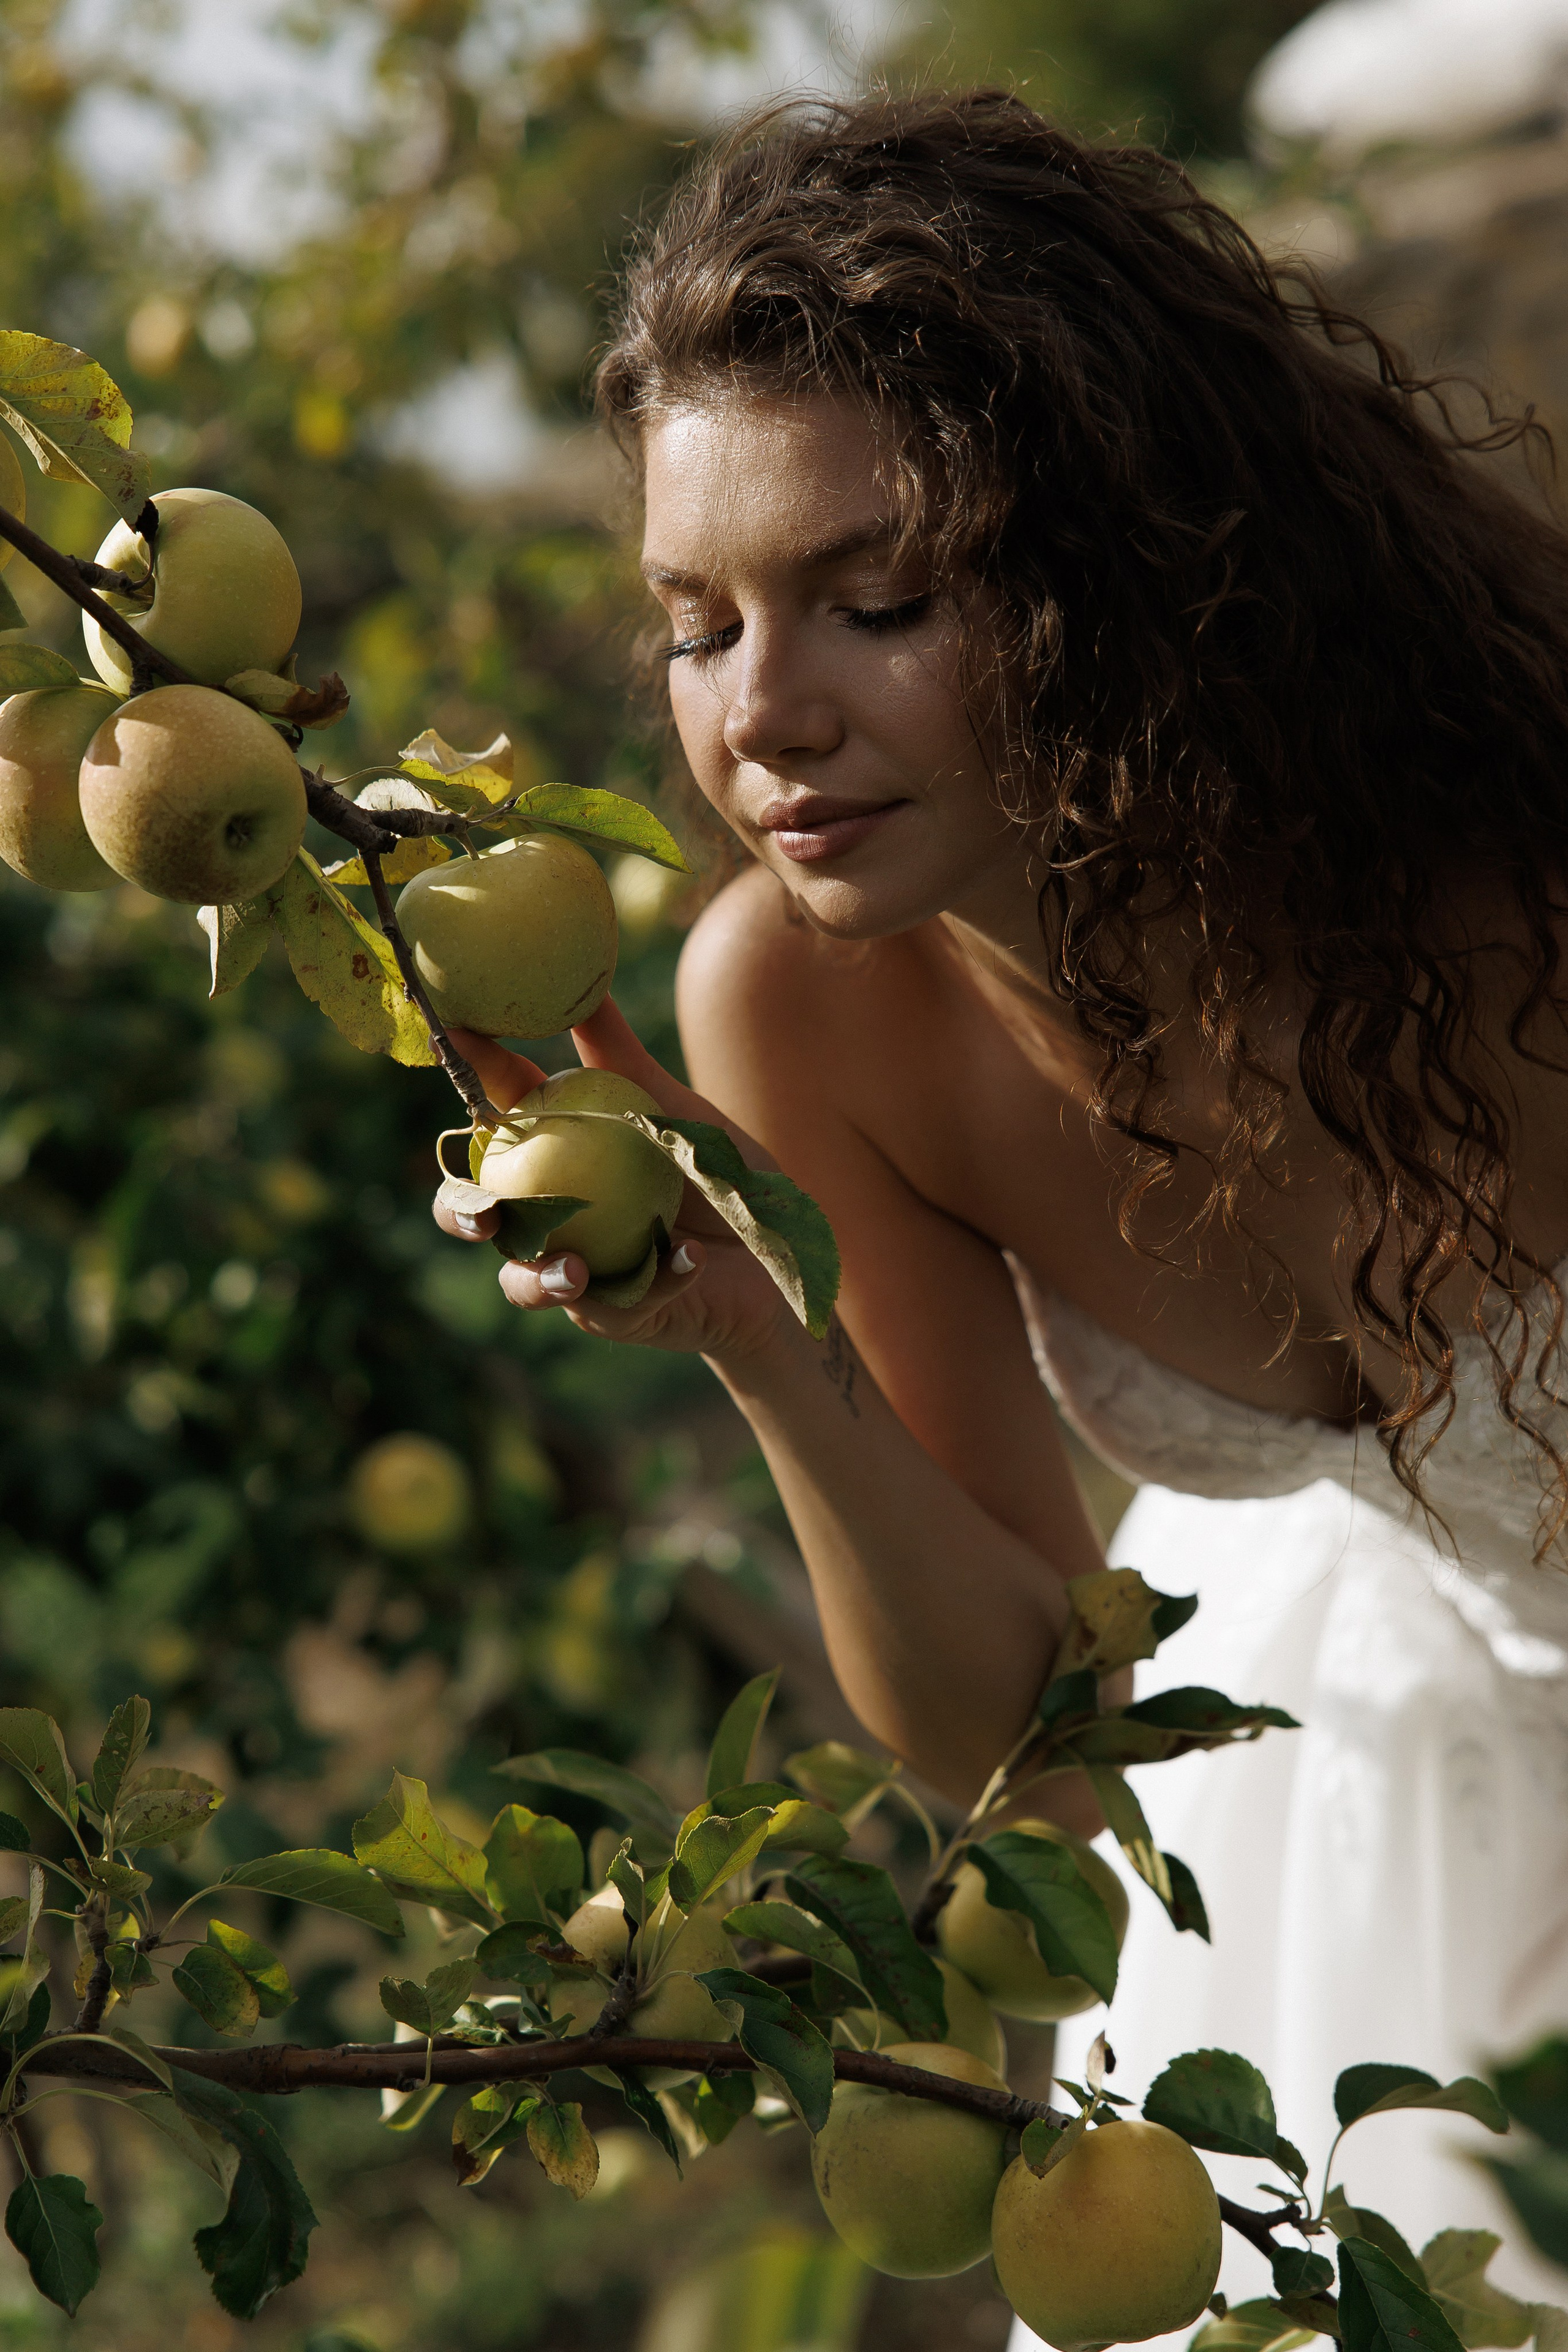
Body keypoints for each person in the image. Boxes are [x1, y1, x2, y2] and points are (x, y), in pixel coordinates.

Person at [435, 90, 1568, 2326]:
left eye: (874, 600)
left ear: (1130, 557)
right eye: (693, 624)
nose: (763, 715)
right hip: (1355, 1822)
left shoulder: (1513, 889)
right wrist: (759, 1337)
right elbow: (1032, 1760)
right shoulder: (794, 1005)